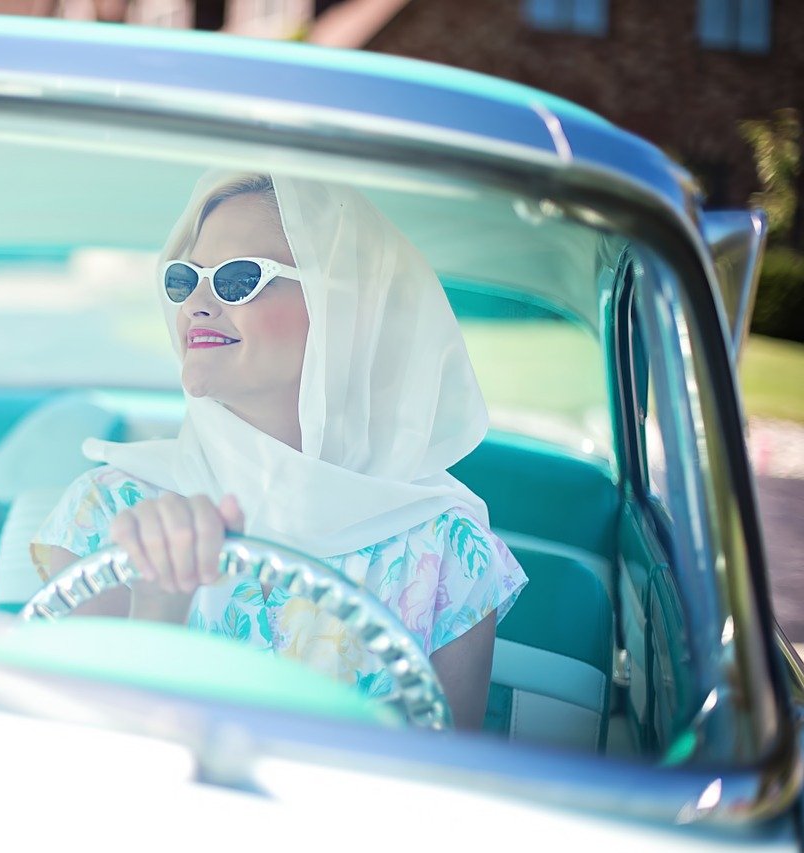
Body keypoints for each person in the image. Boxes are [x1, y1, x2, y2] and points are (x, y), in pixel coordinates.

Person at [31, 171, 527, 729]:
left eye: (238, 279)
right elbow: (81, 763)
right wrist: (158, 608)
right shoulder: (108, 511)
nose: (195, 302)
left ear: (344, 309)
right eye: (183, 278)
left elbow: (446, 785)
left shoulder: (448, 552)